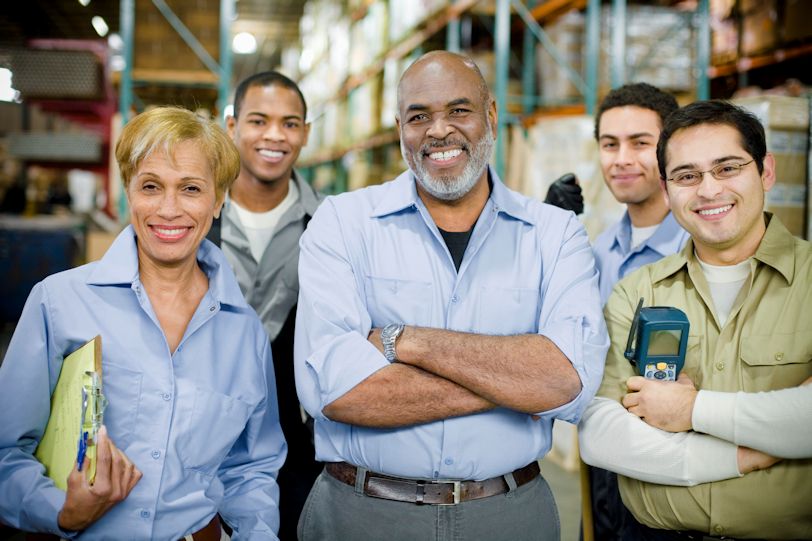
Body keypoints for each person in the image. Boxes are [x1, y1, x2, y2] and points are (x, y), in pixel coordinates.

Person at [293, 50, 608, 541]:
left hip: (508, 514)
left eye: (458, 111)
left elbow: (568, 382)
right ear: (400, 128)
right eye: (419, 116)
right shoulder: (342, 223)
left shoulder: (555, 233)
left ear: (491, 116)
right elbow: (335, 391)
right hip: (362, 513)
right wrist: (515, 384)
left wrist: (405, 341)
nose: (439, 130)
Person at [0, 107, 287, 540]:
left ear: (218, 199)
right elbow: (6, 451)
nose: (168, 210)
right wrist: (60, 510)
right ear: (128, 192)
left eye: (190, 188)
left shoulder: (244, 334)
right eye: (151, 186)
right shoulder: (60, 302)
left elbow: (252, 469)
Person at [579, 100, 812, 540]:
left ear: (766, 172)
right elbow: (600, 435)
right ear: (668, 192)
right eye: (687, 176)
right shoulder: (637, 291)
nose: (707, 190)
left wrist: (690, 410)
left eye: (727, 169)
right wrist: (749, 453)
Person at [212, 71, 321, 539]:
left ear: (306, 133)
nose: (275, 135)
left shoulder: (330, 227)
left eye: (290, 123)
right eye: (259, 120)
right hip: (199, 437)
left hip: (294, 447)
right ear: (232, 125)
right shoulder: (192, 218)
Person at [584, 82, 689, 541]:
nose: (621, 158)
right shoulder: (597, 250)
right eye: (610, 144)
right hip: (606, 454)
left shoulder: (699, 246)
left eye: (640, 143)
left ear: (670, 150)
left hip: (678, 455)